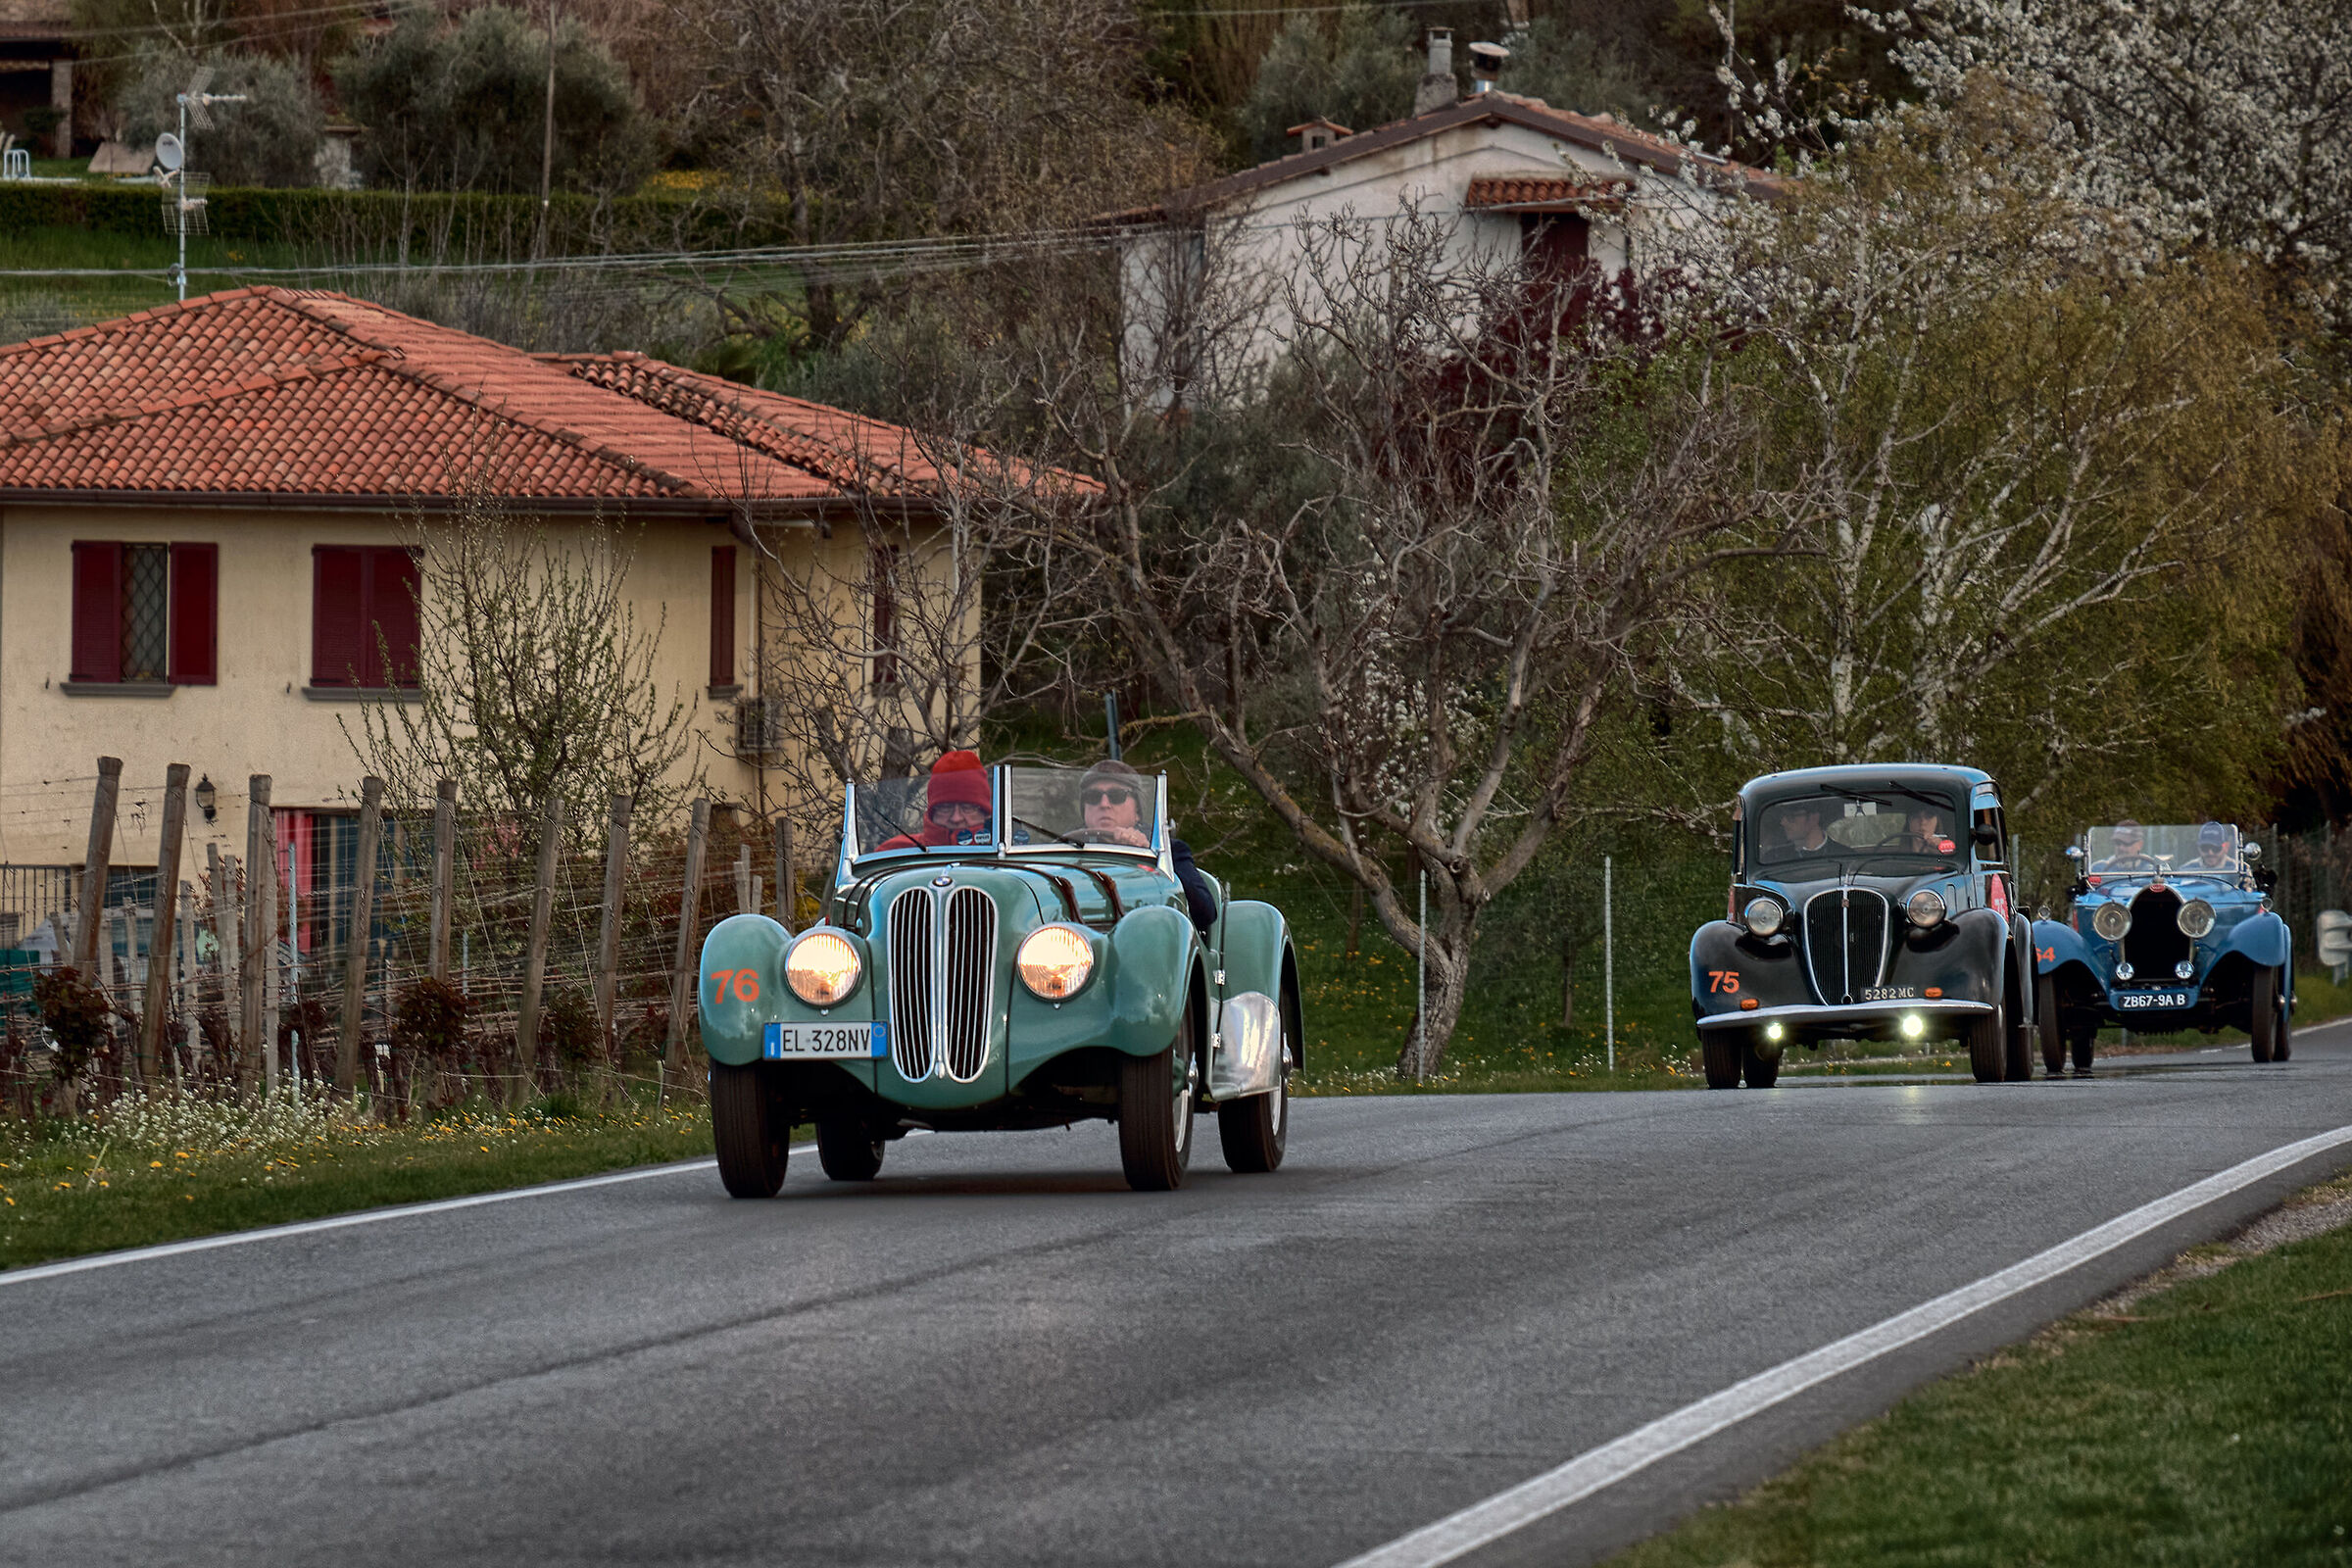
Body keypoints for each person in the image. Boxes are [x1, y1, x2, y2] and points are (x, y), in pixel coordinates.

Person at [1080, 759, 1218, 932]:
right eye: (1093, 797)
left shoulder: (1167, 850)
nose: (1104, 804)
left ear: (1137, 810)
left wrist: (1146, 856)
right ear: (1084, 809)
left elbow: (1206, 912)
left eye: (1117, 796)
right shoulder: (1064, 852)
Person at [874, 750, 994, 850]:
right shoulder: (897, 852)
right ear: (932, 812)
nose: (956, 818)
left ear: (984, 812)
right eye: (945, 807)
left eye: (967, 807)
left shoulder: (1003, 858)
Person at [1770, 801, 1838, 861]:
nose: (1783, 822)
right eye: (1782, 817)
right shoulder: (1774, 857)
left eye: (1790, 817)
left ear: (1814, 818)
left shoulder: (1842, 854)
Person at [2090, 819, 2159, 873]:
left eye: (2126, 843)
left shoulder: (2153, 868)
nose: (2121, 848)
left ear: (2139, 844)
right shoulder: (2099, 868)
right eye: (2118, 843)